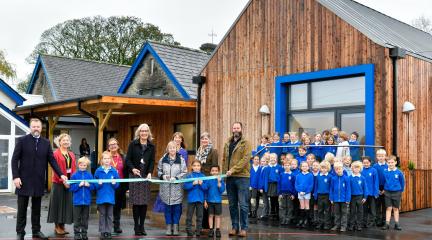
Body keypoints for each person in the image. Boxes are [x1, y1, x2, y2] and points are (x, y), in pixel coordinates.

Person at [12, 118, 68, 240]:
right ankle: (20, 232)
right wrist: (15, 177)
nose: (36, 128)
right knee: (21, 209)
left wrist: (61, 174)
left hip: (38, 180)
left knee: (36, 209)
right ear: (30, 127)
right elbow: (14, 159)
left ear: (41, 128)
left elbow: (52, 160)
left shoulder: (46, 142)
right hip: (23, 181)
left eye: (38, 126)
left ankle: (36, 231)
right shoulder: (22, 141)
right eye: (34, 126)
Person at [222, 122, 252, 237]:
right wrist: (224, 174)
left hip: (242, 177)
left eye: (237, 128)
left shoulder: (246, 143)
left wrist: (233, 170)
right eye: (234, 127)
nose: (236, 129)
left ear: (241, 129)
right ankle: (235, 227)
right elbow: (224, 159)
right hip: (229, 178)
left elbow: (245, 159)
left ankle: (244, 228)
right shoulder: (227, 143)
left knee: (243, 204)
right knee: (232, 205)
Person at [125, 123, 155, 236]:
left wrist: (149, 173)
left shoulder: (151, 146)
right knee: (136, 203)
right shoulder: (133, 144)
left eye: (146, 131)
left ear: (148, 133)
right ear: (139, 132)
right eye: (142, 131)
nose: (144, 133)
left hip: (145, 177)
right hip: (134, 176)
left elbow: (152, 161)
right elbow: (127, 160)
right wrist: (133, 169)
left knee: (144, 203)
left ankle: (142, 226)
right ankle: (136, 226)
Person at [48, 133, 77, 235]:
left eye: (67, 140)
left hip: (69, 183)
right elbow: (55, 169)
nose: (66, 142)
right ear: (59, 142)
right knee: (58, 205)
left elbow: (73, 169)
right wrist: (63, 181)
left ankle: (62, 226)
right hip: (58, 183)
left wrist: (72, 181)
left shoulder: (72, 154)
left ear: (70, 142)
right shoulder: (55, 154)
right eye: (63, 140)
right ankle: (57, 226)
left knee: (66, 205)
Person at [158, 141, 187, 236]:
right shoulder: (163, 159)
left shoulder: (181, 159)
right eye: (170, 148)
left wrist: (177, 178)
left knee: (177, 209)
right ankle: (168, 227)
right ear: (168, 149)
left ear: (176, 149)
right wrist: (163, 176)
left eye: (174, 148)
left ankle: (175, 227)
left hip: (177, 188)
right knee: (168, 209)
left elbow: (184, 172)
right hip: (166, 189)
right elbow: (159, 171)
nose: (172, 150)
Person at [94, 151, 119, 240]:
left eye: (108, 158)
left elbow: (117, 185)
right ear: (102, 160)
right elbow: (94, 185)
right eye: (105, 158)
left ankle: (108, 232)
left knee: (109, 215)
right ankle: (102, 231)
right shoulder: (98, 171)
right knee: (102, 215)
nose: (107, 160)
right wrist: (99, 184)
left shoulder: (114, 171)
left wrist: (114, 183)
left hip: (110, 198)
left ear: (111, 160)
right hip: (101, 198)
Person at [70, 157, 94, 240]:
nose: (83, 166)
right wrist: (78, 185)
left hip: (86, 201)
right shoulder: (74, 175)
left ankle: (84, 233)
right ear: (78, 165)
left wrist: (89, 185)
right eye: (81, 165)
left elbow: (93, 187)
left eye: (85, 165)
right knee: (77, 218)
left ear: (87, 166)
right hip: (77, 201)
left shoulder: (89, 175)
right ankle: (77, 233)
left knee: (85, 218)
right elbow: (71, 188)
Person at [107, 138, 128, 234]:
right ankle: (107, 226)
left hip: (120, 186)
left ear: (118, 145)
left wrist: (127, 187)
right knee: (108, 205)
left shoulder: (123, 157)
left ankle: (116, 226)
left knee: (117, 207)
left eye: (115, 144)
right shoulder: (105, 157)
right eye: (111, 144)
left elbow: (126, 171)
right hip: (108, 186)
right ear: (108, 147)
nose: (113, 146)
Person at [184, 160, 208, 237]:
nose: (196, 167)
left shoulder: (203, 176)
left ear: (200, 167)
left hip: (200, 200)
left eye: (198, 165)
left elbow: (206, 188)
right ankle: (188, 230)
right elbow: (185, 187)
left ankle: (198, 230)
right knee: (189, 216)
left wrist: (201, 184)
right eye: (194, 165)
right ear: (192, 167)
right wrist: (193, 184)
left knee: (200, 216)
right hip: (191, 199)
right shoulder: (189, 176)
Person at [381, 155, 405, 231]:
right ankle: (387, 224)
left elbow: (402, 182)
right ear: (387, 163)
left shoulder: (399, 172)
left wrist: (400, 191)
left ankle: (396, 224)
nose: (390, 164)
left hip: (397, 192)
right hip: (387, 192)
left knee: (395, 208)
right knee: (388, 208)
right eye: (389, 162)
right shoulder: (385, 171)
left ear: (395, 162)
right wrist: (384, 189)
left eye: (392, 162)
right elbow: (383, 181)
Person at [205, 165, 225, 238]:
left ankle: (217, 230)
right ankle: (211, 229)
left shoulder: (221, 180)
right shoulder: (208, 180)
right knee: (210, 215)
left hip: (218, 201)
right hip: (210, 201)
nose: (214, 172)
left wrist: (219, 183)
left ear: (218, 172)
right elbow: (205, 190)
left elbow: (222, 190)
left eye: (216, 171)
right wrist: (205, 200)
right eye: (213, 171)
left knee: (218, 216)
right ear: (210, 172)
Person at [330, 162, 351, 232]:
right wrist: (331, 198)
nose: (338, 170)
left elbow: (348, 189)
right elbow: (331, 189)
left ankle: (343, 226)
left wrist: (348, 199)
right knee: (336, 213)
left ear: (342, 169)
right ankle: (337, 225)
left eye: (339, 169)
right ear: (335, 170)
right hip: (335, 199)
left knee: (344, 213)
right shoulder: (333, 179)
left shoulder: (346, 178)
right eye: (336, 169)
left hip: (344, 199)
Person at [349, 161, 367, 231]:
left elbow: (365, 188)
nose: (356, 169)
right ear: (352, 169)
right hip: (352, 197)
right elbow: (348, 189)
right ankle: (351, 225)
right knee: (352, 211)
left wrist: (365, 197)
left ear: (360, 169)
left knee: (360, 211)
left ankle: (359, 225)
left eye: (358, 168)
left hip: (360, 197)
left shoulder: (362, 178)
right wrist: (348, 198)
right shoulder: (349, 178)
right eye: (354, 168)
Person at [294, 161, 314, 228]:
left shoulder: (310, 175)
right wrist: (299, 191)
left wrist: (306, 192)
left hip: (307, 193)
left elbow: (311, 185)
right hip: (300, 192)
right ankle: (301, 219)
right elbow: (296, 184)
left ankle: (306, 220)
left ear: (308, 167)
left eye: (306, 166)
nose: (304, 167)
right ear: (301, 167)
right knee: (301, 206)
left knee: (306, 205)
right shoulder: (298, 175)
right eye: (303, 166)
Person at [361, 156, 379, 228]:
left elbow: (376, 182)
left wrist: (376, 192)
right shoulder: (361, 170)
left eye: (367, 163)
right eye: (364, 163)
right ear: (362, 163)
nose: (366, 164)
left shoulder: (373, 170)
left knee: (372, 209)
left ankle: (372, 222)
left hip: (372, 193)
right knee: (364, 209)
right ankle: (364, 222)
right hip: (363, 194)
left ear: (370, 162)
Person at [314, 161, 332, 230]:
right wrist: (315, 194)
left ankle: (327, 224)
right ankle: (320, 223)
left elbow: (331, 187)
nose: (323, 170)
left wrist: (330, 196)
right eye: (322, 168)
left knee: (327, 210)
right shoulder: (318, 176)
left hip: (327, 195)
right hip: (319, 195)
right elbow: (316, 186)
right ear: (320, 168)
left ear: (328, 168)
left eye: (325, 168)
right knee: (320, 210)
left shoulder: (330, 176)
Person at [373, 149, 388, 227]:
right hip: (377, 187)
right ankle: (378, 220)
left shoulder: (388, 166)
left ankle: (384, 220)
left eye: (382, 156)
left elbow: (389, 179)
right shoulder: (375, 166)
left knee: (385, 205)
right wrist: (377, 189)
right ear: (377, 157)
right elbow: (374, 178)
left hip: (386, 187)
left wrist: (385, 189)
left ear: (385, 156)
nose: (381, 157)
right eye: (379, 156)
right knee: (377, 205)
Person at [278, 161, 296, 225]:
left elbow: (294, 185)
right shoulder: (281, 174)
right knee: (283, 206)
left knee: (289, 207)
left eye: (288, 165)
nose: (287, 166)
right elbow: (279, 184)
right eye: (285, 165)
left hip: (290, 194)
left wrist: (293, 194)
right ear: (283, 166)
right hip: (283, 193)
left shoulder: (293, 175)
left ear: (290, 166)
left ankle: (288, 219)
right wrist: (279, 193)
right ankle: (283, 219)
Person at [258, 153, 270, 220]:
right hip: (262, 187)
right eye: (262, 161)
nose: (262, 162)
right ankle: (265, 213)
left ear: (267, 162)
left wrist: (261, 187)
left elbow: (264, 179)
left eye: (264, 161)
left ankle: (264, 214)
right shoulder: (261, 168)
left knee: (265, 201)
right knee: (265, 201)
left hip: (265, 187)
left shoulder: (266, 169)